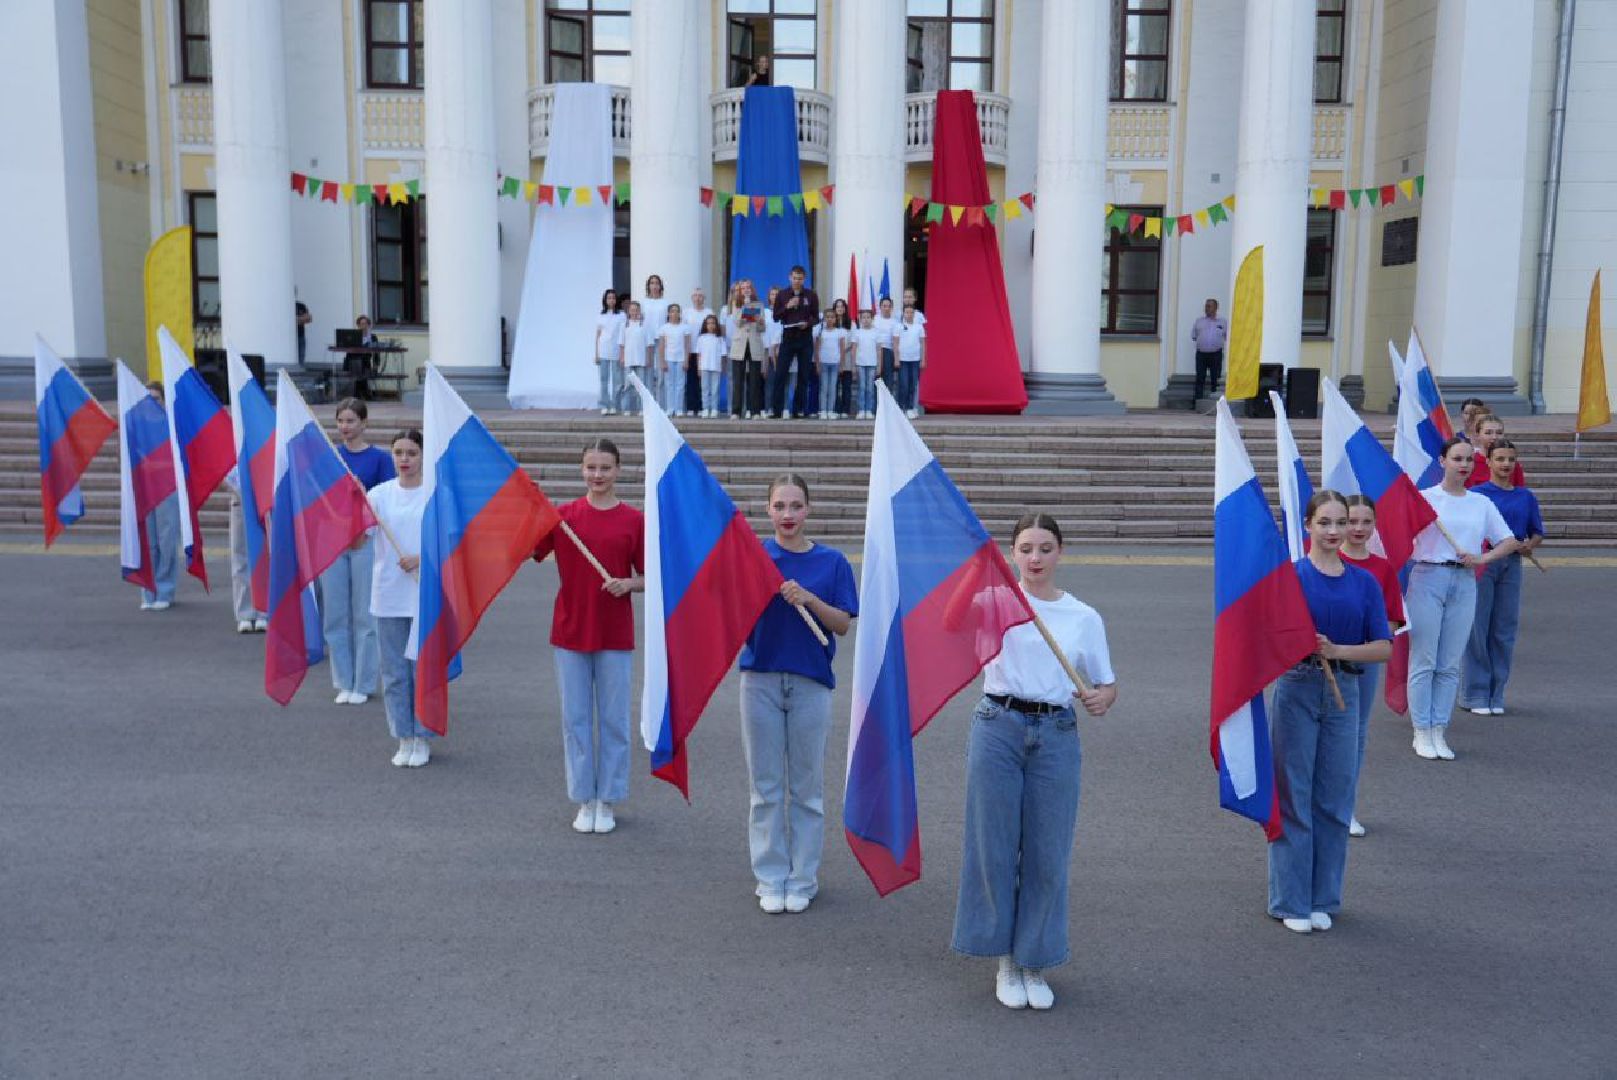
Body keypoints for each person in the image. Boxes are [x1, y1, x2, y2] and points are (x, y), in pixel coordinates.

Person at [952, 513, 1117, 1011]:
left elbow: (1106, 683)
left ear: (1060, 552)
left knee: (1047, 854)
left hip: (1056, 732)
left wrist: (1103, 698)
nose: (1035, 558)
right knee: (994, 848)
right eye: (1025, 548)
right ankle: (1005, 958)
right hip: (997, 726)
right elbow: (947, 621)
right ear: (1012, 554)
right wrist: (976, 570)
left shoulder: (1083, 617)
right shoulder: (994, 601)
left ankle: (1034, 960)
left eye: (1045, 548)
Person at [1268, 491, 1392, 935]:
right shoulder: (1290, 578)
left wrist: (1337, 649)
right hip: (1299, 687)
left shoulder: (1365, 583)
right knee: (1293, 795)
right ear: (1308, 526)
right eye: (1325, 522)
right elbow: (1266, 639)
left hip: (1347, 691)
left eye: (1341, 522)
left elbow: (1383, 647)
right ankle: (1290, 899)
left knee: (1336, 800)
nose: (1335, 531)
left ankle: (1323, 897)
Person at [738, 475, 857, 913]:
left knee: (806, 789)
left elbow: (843, 623)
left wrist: (807, 598)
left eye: (796, 506)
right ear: (767, 510)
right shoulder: (754, 558)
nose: (788, 515)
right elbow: (731, 614)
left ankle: (802, 877)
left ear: (808, 510)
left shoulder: (832, 562)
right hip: (760, 680)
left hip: (810, 683)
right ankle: (770, 876)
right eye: (779, 506)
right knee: (765, 787)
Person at [532, 439, 644, 834]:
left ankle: (608, 798)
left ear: (618, 470)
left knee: (613, 720)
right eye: (591, 468)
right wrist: (527, 513)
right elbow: (532, 548)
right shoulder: (564, 517)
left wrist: (629, 583)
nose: (597, 475)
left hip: (614, 633)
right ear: (582, 470)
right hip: (570, 630)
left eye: (605, 468)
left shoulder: (633, 520)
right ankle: (584, 798)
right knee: (576, 719)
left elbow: (649, 577)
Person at [1406, 437, 1520, 760]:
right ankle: (1421, 730)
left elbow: (1508, 540)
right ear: (1442, 461)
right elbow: (1399, 531)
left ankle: (1439, 729)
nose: (1464, 465)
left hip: (1465, 580)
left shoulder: (1480, 503)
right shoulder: (1424, 499)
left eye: (1469, 460)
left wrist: (1482, 560)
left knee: (1450, 661)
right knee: (1424, 658)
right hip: (1428, 575)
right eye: (1457, 458)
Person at [1338, 495, 1406, 838]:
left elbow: (1393, 621)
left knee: (1354, 735)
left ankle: (1345, 807)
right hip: (1322, 663)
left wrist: (1365, 646)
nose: (1358, 529)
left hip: (1363, 664)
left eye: (1366, 522)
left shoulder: (1381, 569)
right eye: (1352, 521)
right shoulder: (1324, 562)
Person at [1462, 439, 1544, 716]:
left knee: (1504, 629)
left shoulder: (1525, 496)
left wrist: (1530, 544)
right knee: (1478, 627)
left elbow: (1537, 531)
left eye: (1510, 459)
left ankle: (1497, 692)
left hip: (1512, 565)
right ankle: (1474, 694)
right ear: (1487, 461)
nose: (1506, 464)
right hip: (1484, 563)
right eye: (1500, 459)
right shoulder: (1476, 495)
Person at [322, 398, 396, 706]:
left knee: (365, 616)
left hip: (364, 543)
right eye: (341, 421)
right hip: (333, 542)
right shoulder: (330, 458)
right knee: (336, 616)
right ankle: (343, 680)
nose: (345, 427)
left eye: (351, 421)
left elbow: (389, 500)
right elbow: (320, 499)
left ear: (364, 423)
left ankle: (364, 683)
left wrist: (364, 496)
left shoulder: (379, 459)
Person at [369, 428, 435, 768]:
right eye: (399, 453)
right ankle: (403, 735)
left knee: (421, 668)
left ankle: (422, 735)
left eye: (411, 452)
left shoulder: (433, 494)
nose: (405, 459)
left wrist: (421, 558)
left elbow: (450, 541)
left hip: (424, 593)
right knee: (394, 671)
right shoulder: (378, 496)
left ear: (423, 455)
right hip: (389, 593)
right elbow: (358, 535)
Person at [139, 381, 180, 612]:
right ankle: (148, 591)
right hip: (145, 487)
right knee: (149, 541)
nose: (153, 403)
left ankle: (165, 589)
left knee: (166, 539)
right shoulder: (138, 426)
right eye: (149, 399)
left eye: (156, 398)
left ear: (163, 401)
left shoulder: (171, 425)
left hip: (167, 487)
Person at [771, 266, 820, 419]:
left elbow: (816, 317)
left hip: (805, 338)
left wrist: (808, 323)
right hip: (788, 337)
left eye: (800, 278)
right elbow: (775, 317)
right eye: (794, 278)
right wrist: (787, 306)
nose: (797, 281)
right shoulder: (782, 294)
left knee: (803, 375)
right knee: (780, 374)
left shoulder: (811, 295)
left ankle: (798, 409)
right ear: (789, 278)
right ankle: (776, 410)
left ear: (804, 279)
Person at [726, 280, 767, 419]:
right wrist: (746, 307)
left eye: (748, 287)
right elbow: (738, 322)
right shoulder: (736, 304)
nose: (746, 290)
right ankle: (736, 411)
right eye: (743, 288)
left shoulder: (759, 305)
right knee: (738, 379)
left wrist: (761, 322)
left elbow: (762, 328)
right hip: (740, 345)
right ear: (740, 290)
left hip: (754, 343)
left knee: (755, 380)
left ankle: (755, 410)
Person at [228, 486, 266, 633]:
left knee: (263, 555)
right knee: (240, 555)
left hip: (264, 497)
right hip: (239, 497)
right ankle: (244, 612)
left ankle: (263, 610)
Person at [1466, 414, 1526, 489]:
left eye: (1499, 433)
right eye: (1488, 433)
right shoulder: (1469, 462)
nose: (1494, 437)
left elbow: (1520, 492)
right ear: (1478, 434)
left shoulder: (1512, 464)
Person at [594, 288, 627, 416]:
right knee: (603, 380)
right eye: (609, 298)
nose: (611, 300)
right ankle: (604, 405)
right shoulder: (600, 316)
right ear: (605, 300)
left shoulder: (621, 315)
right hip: (603, 351)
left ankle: (615, 405)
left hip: (616, 351)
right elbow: (597, 336)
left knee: (617, 380)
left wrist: (622, 353)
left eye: (613, 297)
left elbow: (623, 334)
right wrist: (596, 353)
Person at [684, 287, 715, 417]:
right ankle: (691, 406)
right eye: (696, 296)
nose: (698, 298)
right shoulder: (686, 312)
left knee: (704, 381)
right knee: (691, 380)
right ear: (692, 298)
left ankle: (704, 407)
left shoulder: (709, 311)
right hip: (691, 350)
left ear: (704, 298)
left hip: (706, 351)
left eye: (700, 296)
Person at [894, 297, 927, 419]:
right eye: (907, 312)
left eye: (911, 312)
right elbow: (895, 343)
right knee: (904, 384)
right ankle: (901, 407)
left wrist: (923, 359)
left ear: (914, 314)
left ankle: (910, 408)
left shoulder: (919, 327)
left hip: (915, 360)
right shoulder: (898, 326)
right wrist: (896, 359)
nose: (909, 314)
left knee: (913, 384)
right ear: (903, 314)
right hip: (903, 360)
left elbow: (923, 344)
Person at [1190, 298, 1228, 404]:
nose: (1207, 308)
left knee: (1215, 379)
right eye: (1206, 306)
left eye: (1209, 306)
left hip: (1216, 354)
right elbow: (1194, 336)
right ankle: (1197, 402)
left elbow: (1227, 337)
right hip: (1201, 354)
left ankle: (1215, 403)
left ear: (1216, 308)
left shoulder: (1223, 322)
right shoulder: (1199, 321)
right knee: (1200, 378)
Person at [813, 310, 847, 421]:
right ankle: (823, 410)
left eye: (832, 317)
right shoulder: (820, 332)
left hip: (835, 363)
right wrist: (817, 364)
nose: (830, 319)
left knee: (832, 388)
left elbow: (842, 350)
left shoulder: (839, 332)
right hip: (823, 363)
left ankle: (831, 410)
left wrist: (842, 365)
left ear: (835, 319)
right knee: (824, 388)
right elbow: (817, 350)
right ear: (824, 319)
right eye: (827, 317)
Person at [655, 304, 687, 416]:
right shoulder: (664, 328)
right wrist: (662, 361)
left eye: (677, 311)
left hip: (681, 359)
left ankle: (678, 408)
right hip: (669, 358)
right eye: (672, 311)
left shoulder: (684, 327)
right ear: (668, 313)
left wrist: (686, 360)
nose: (674, 313)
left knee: (680, 384)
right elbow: (661, 346)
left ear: (679, 314)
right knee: (669, 384)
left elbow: (687, 345)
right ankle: (670, 407)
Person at [619, 300, 648, 416]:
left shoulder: (643, 325)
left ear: (639, 311)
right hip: (628, 359)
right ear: (628, 312)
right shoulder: (625, 325)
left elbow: (648, 344)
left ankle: (641, 408)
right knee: (627, 385)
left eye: (636, 310)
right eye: (632, 310)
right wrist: (622, 357)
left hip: (640, 359)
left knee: (641, 385)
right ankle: (626, 408)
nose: (634, 312)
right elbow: (621, 344)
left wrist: (648, 358)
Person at [850, 309, 880, 419]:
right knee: (861, 387)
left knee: (870, 388)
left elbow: (878, 350)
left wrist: (879, 366)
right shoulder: (857, 332)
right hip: (860, 363)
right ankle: (861, 409)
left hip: (872, 364)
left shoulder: (876, 332)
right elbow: (853, 350)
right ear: (860, 319)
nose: (866, 320)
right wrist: (853, 366)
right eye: (864, 317)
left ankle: (869, 410)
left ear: (872, 319)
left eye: (868, 317)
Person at [695, 313, 726, 417]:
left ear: (716, 325)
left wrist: (722, 367)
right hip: (704, 367)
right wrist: (699, 368)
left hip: (716, 367)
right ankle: (705, 408)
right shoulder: (701, 338)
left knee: (714, 389)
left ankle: (714, 409)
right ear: (705, 325)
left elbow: (723, 355)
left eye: (713, 323)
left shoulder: (720, 339)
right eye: (708, 323)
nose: (711, 325)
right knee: (705, 389)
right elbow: (699, 355)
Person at [830, 299, 854, 418]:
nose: (840, 308)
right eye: (837, 306)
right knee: (834, 385)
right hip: (834, 358)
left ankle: (845, 409)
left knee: (846, 385)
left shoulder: (851, 323)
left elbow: (853, 341)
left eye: (842, 306)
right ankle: (836, 408)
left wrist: (843, 349)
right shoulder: (830, 323)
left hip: (847, 358)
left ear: (845, 309)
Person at [873, 296, 898, 395]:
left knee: (888, 380)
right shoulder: (874, 319)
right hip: (875, 351)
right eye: (884, 306)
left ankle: (888, 406)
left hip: (888, 351)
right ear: (880, 307)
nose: (886, 308)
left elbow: (896, 340)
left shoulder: (895, 321)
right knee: (877, 378)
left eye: (888, 306)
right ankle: (876, 407)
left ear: (891, 307)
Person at [295, 299, 311, 365]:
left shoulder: (301, 305)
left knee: (301, 355)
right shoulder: (285, 305)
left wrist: (296, 319)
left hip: (301, 336)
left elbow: (308, 318)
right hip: (288, 337)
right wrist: (300, 319)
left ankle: (301, 366)